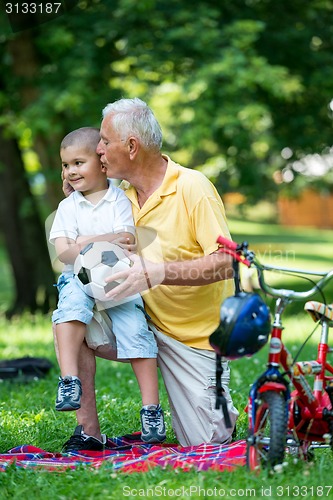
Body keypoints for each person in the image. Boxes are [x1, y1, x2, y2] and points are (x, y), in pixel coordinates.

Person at [61, 99, 239, 452]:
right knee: (70, 314)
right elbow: (73, 231)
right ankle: (88, 432)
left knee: (208, 442)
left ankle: (215, 402)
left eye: (105, 141)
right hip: (135, 318)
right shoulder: (115, 195)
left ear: (131, 146)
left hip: (194, 338)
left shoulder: (193, 187)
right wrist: (72, 189)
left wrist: (157, 273)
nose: (98, 149)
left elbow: (227, 262)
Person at [49, 126, 166, 445]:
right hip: (77, 276)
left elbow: (127, 241)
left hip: (117, 275)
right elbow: (65, 254)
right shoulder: (68, 208)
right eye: (65, 165)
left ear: (101, 164)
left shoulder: (117, 198)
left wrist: (85, 240)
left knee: (136, 330)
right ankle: (69, 380)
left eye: (78, 162)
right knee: (70, 308)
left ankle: (151, 410)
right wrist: (101, 240)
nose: (70, 171)